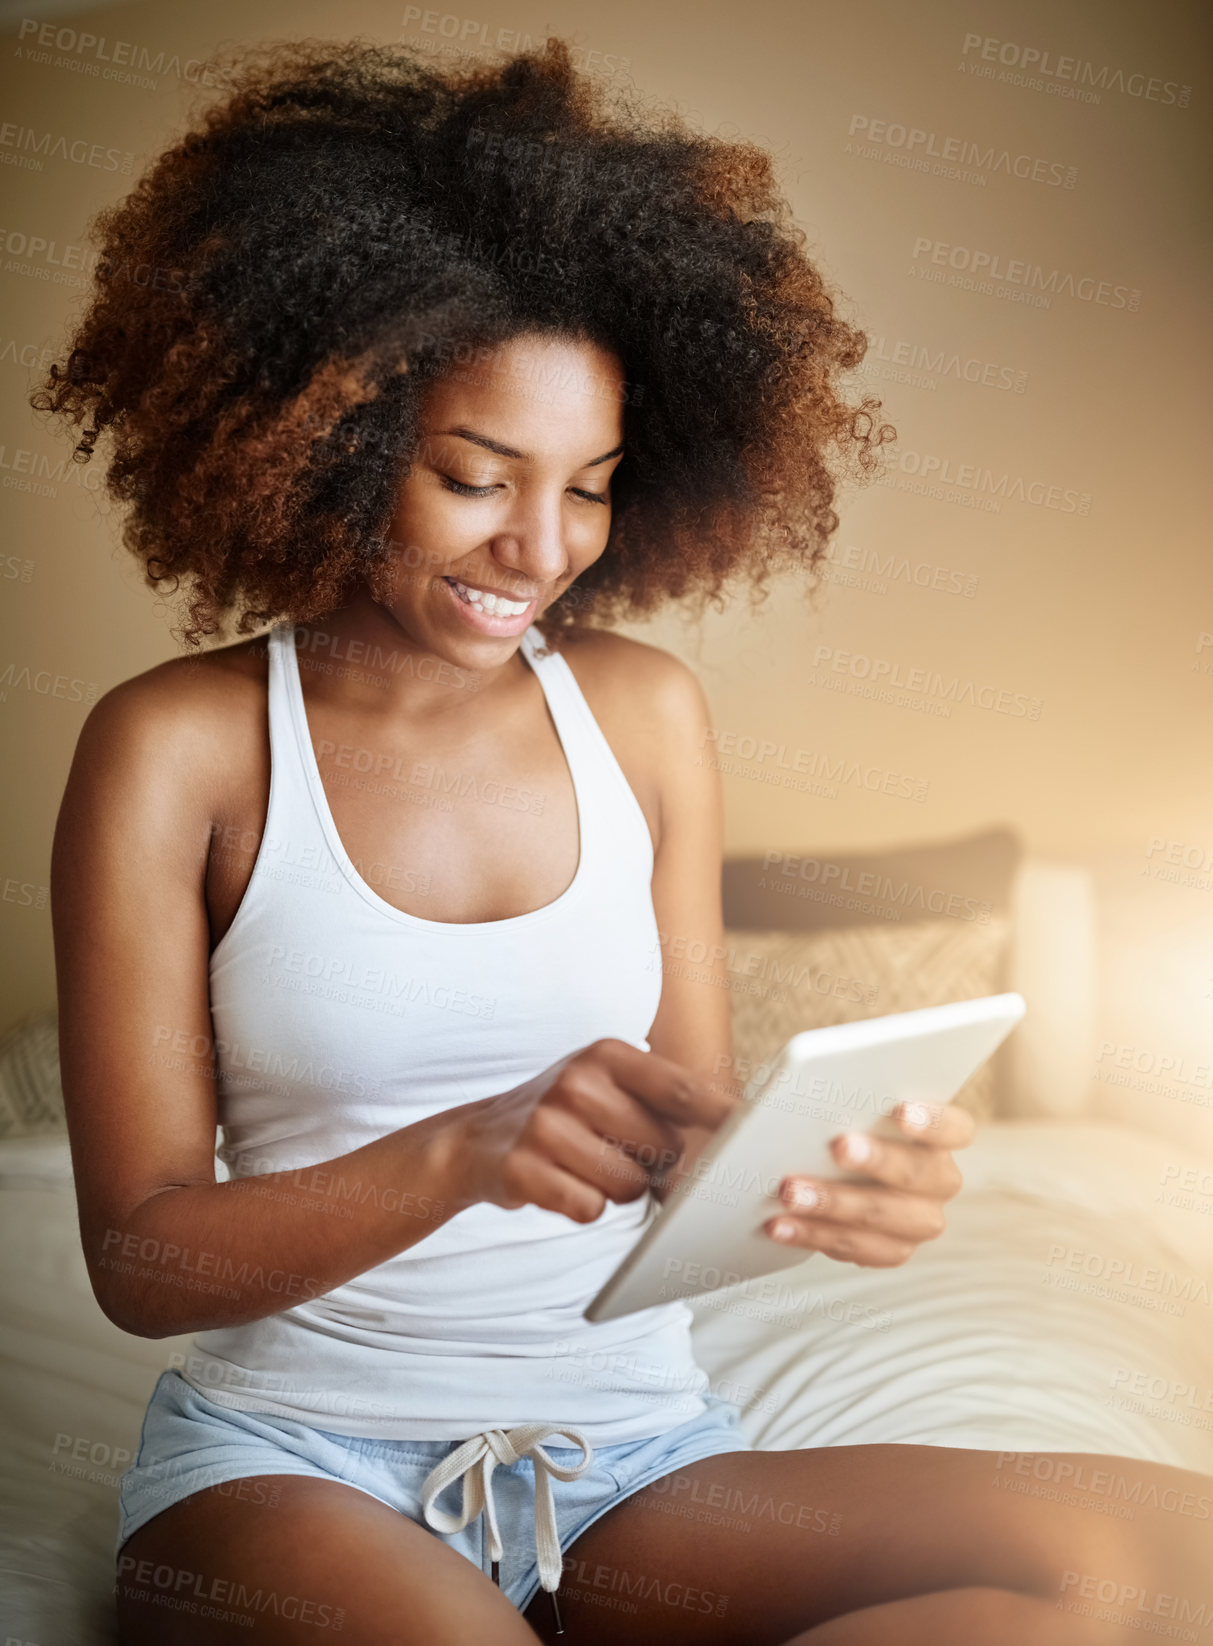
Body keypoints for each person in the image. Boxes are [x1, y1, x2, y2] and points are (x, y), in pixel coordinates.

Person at [37, 35, 1209, 1646]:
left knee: (1157, 1548)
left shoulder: (641, 712)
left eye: (588, 488)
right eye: (473, 476)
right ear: (323, 437)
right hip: (294, 1463)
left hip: (631, 1451)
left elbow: (682, 1136)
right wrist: (463, 1147)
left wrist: (822, 1182)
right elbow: (143, 1256)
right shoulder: (174, 746)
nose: (540, 549)